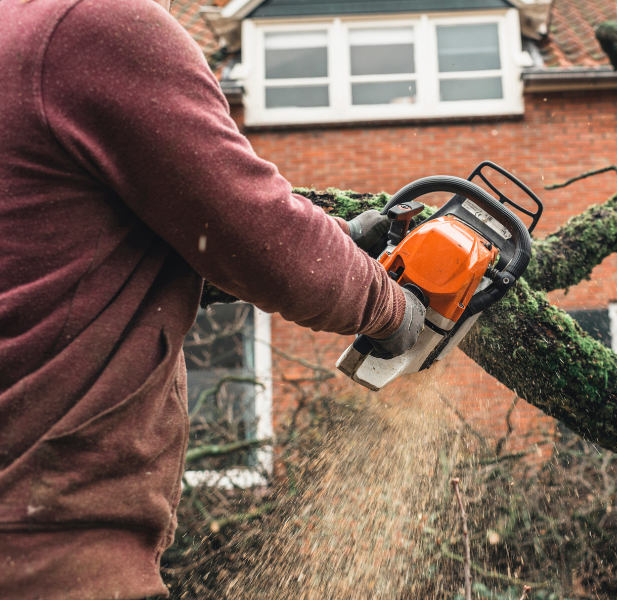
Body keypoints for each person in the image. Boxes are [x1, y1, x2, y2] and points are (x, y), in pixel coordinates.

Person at [0, 0, 425, 597]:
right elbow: (256, 233)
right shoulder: (93, 24)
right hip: (50, 554)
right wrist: (392, 308)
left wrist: (338, 243)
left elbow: (68, 262)